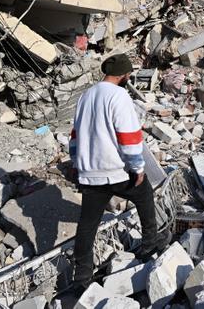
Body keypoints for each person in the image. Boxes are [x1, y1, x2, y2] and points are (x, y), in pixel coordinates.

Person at [70, 54, 165, 291]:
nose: (129, 78)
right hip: (115, 170)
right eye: (129, 74)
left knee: (87, 225)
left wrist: (75, 164)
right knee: (145, 196)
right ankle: (149, 246)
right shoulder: (119, 96)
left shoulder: (86, 96)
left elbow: (75, 135)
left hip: (89, 172)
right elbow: (129, 136)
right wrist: (138, 167)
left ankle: (81, 279)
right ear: (123, 75)